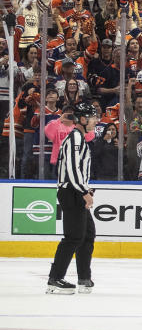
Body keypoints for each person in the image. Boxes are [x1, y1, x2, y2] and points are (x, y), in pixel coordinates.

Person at [47, 103, 100, 295]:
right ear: (82, 120)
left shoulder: (79, 138)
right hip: (72, 192)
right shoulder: (75, 138)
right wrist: (83, 191)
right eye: (92, 117)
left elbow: (76, 169)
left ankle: (83, 278)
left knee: (87, 234)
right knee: (74, 237)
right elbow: (71, 168)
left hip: (75, 190)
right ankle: (55, 279)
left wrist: (86, 189)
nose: (96, 120)